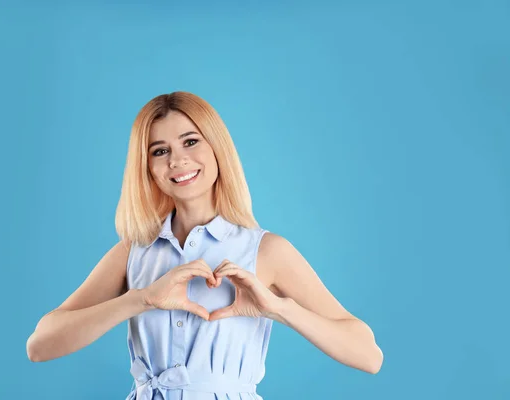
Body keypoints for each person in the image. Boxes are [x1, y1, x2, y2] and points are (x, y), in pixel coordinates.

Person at [26, 91, 384, 399]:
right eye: (159, 151)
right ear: (147, 167)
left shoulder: (267, 250)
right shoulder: (133, 252)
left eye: (191, 141)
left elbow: (368, 355)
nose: (177, 160)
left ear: (217, 148)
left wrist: (278, 309)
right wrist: (142, 299)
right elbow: (40, 345)